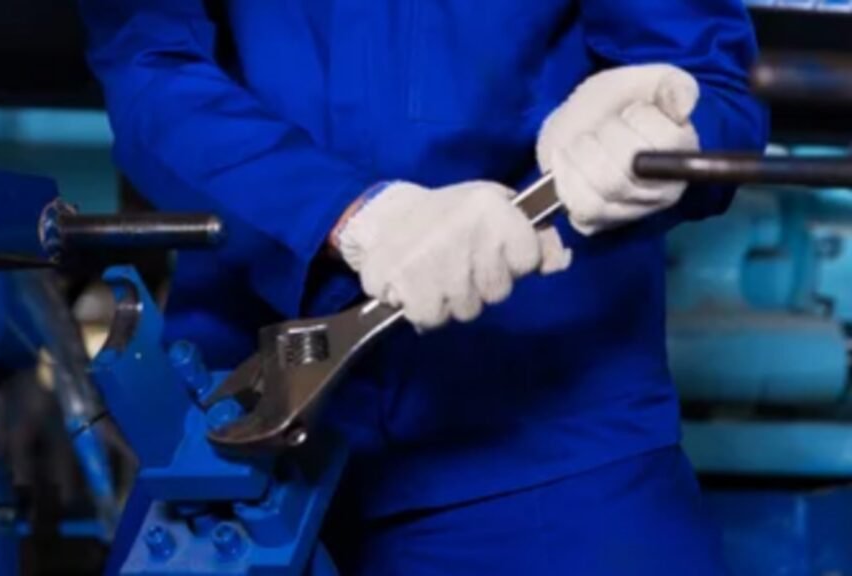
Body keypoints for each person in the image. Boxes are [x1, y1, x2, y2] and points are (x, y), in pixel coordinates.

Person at [79, 2, 767, 574]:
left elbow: (712, 89)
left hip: (556, 433)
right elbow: (148, 65)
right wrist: (350, 216)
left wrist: (668, 134)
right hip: (241, 427)